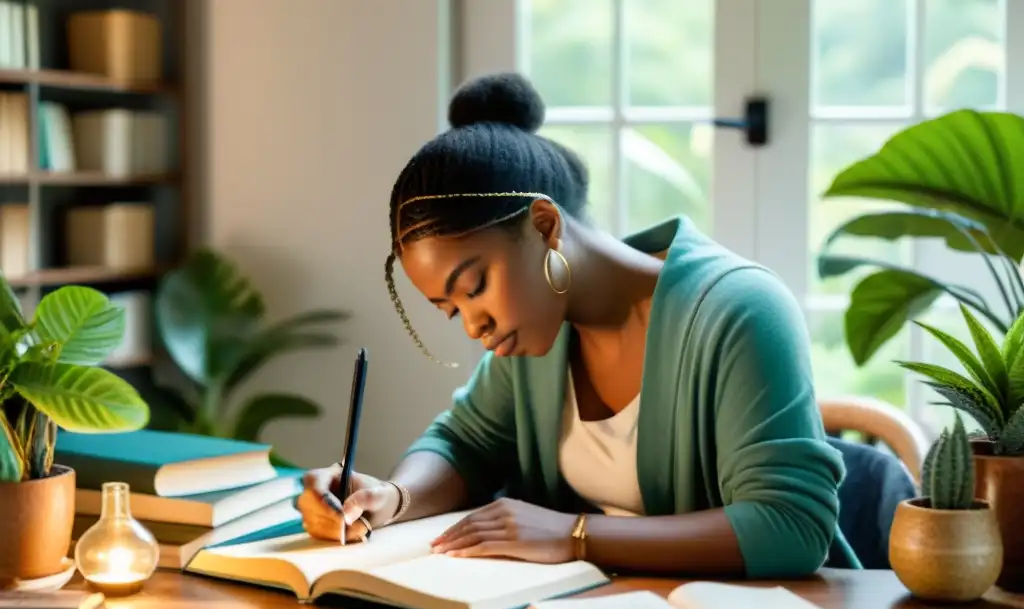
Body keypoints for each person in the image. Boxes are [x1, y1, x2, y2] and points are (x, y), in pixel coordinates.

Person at [298, 72, 857, 578]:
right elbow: (463, 442)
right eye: (451, 309)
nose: (474, 325)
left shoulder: (740, 312)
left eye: (475, 289)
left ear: (544, 225)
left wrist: (575, 536)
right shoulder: (537, 339)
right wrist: (393, 497)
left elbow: (791, 526)